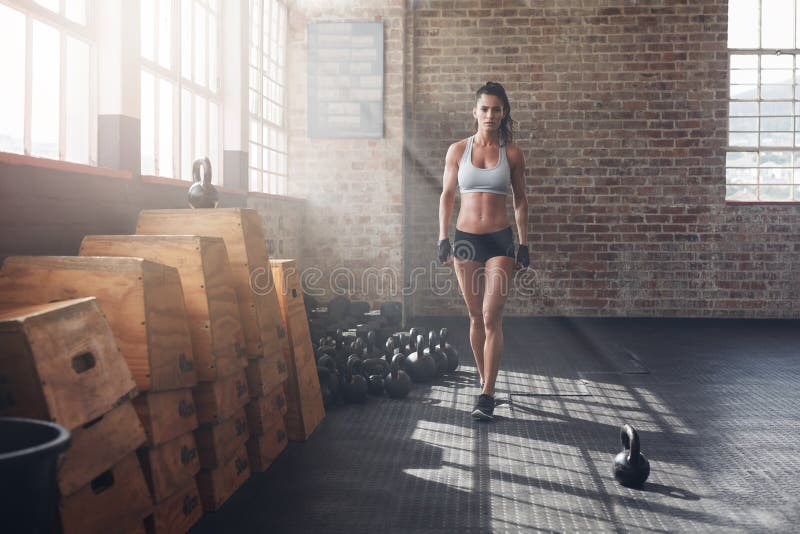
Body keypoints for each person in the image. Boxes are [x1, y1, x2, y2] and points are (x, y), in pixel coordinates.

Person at [437, 81, 529, 421]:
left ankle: (487, 395)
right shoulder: (457, 151)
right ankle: (484, 380)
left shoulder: (513, 153)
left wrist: (525, 243)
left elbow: (520, 201)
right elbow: (447, 196)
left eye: (497, 109)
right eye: (485, 109)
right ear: (474, 112)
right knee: (475, 316)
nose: (490, 114)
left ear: (504, 113)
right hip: (465, 240)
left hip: (500, 242)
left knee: (492, 316)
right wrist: (442, 238)